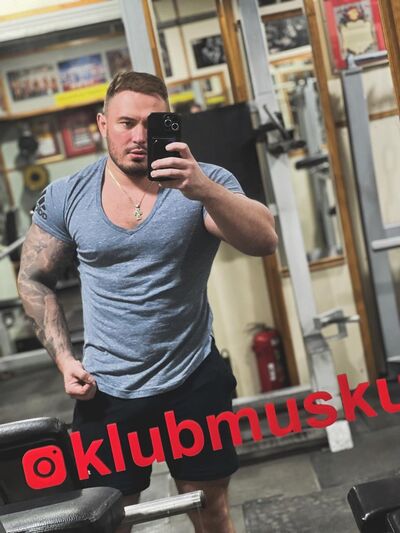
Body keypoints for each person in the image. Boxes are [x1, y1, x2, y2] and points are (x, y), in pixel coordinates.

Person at [17, 71, 278, 533]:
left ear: (170, 124)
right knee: (107, 519)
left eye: (151, 123)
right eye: (126, 123)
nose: (139, 136)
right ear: (103, 124)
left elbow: (264, 241)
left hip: (192, 377)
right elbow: (34, 278)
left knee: (211, 510)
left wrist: (204, 189)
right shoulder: (67, 195)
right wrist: (64, 359)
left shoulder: (202, 183)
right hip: (106, 390)